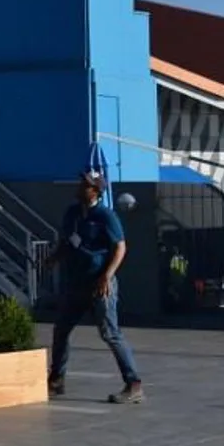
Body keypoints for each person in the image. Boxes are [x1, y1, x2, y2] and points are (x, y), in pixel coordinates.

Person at [46, 170, 144, 404]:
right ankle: (56, 380)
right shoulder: (72, 213)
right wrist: (54, 258)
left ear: (96, 191)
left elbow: (120, 247)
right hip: (76, 283)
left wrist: (107, 276)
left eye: (86, 184)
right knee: (61, 330)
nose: (81, 186)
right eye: (81, 182)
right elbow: (68, 242)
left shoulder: (105, 216)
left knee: (110, 333)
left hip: (100, 284)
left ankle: (133, 384)